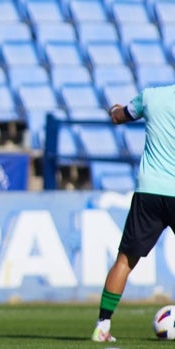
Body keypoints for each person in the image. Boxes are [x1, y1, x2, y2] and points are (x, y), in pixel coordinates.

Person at [91, 84, 175, 342]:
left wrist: (113, 109)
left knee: (125, 260)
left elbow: (120, 116)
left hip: (149, 191)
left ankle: (102, 327)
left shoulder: (151, 97)